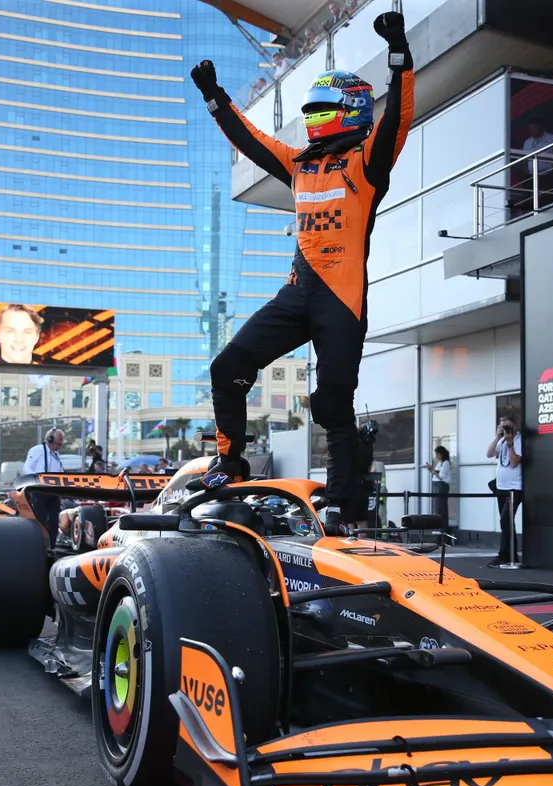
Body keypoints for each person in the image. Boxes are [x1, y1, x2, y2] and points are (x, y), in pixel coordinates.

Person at [188, 11, 415, 533]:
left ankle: (341, 503)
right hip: (297, 294)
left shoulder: (366, 163)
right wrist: (214, 96)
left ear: (350, 112)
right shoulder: (299, 165)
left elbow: (399, 117)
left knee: (331, 401)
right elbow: (250, 141)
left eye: (321, 109)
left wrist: (399, 52)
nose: (312, 117)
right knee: (228, 369)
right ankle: (230, 463)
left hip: (341, 300)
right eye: (310, 110)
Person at [486, 415, 529, 567]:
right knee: (507, 523)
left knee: (505, 521)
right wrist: (498, 436)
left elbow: (514, 462)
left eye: (508, 427)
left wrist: (510, 444)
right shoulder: (501, 440)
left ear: (515, 426)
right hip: (501, 487)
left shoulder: (519, 440)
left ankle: (504, 555)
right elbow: (489, 454)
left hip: (514, 488)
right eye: (503, 427)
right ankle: (512, 555)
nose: (506, 430)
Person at [22, 428, 65, 547]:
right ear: (50, 439)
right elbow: (27, 467)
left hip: (53, 491)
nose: (59, 446)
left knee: (53, 520)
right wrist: (34, 481)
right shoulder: (38, 450)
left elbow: (59, 472)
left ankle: (51, 545)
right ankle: (38, 544)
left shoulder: (56, 454)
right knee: (40, 519)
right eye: (58, 443)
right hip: (39, 490)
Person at [423, 445, 452, 531]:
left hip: (442, 486)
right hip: (436, 485)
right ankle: (438, 526)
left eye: (438, 454)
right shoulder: (440, 463)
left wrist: (432, 470)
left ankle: (442, 528)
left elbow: (441, 476)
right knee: (437, 507)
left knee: (441, 507)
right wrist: (432, 470)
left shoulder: (445, 463)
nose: (437, 456)